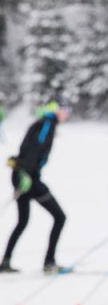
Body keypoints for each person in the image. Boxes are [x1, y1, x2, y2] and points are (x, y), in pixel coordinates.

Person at [1, 100, 70, 274]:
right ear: (57, 110)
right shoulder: (48, 124)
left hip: (22, 175)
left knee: (22, 221)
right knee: (60, 217)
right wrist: (26, 172)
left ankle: (6, 261)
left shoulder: (43, 122)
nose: (67, 115)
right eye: (66, 110)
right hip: (27, 177)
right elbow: (34, 149)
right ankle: (49, 262)